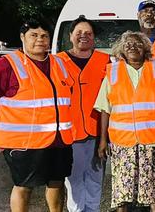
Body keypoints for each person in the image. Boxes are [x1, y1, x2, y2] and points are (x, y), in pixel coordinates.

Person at [0, 19, 74, 212]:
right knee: (23, 186)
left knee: (56, 183)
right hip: (23, 142)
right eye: (34, 35)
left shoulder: (59, 62)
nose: (40, 40)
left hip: (58, 139)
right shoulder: (6, 65)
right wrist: (4, 120)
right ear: (22, 37)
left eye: (44, 36)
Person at [95, 31, 155, 211]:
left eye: (137, 44)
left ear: (146, 48)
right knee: (122, 191)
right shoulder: (112, 72)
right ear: (122, 50)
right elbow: (104, 109)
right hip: (122, 142)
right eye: (128, 45)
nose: (133, 47)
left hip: (154, 141)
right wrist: (103, 140)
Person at [58, 16, 110, 212]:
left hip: (98, 131)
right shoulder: (58, 62)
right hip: (70, 133)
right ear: (70, 36)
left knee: (96, 178)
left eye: (88, 33)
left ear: (94, 38)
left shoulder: (105, 61)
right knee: (74, 181)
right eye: (79, 33)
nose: (83, 36)